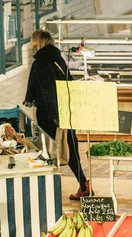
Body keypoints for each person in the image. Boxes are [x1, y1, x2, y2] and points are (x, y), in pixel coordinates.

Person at [24, 30, 89, 200]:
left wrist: (54, 116)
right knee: (71, 149)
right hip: (66, 109)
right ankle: (84, 184)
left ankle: (48, 192)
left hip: (49, 114)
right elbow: (69, 80)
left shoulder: (39, 63)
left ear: (37, 42)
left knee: (48, 152)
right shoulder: (58, 58)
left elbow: (45, 92)